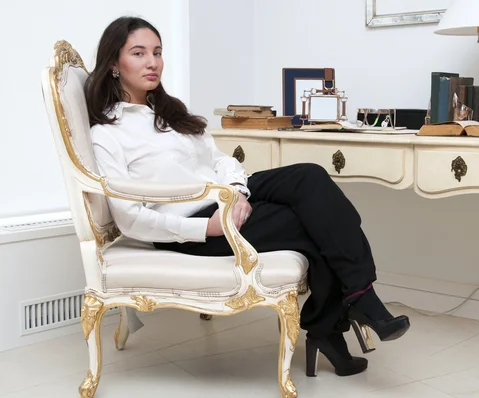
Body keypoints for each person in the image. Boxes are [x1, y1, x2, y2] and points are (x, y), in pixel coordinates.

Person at [85, 16, 410, 378]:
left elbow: (220, 160)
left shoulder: (169, 113)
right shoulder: (108, 133)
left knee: (311, 178)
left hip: (226, 200)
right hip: (196, 227)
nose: (152, 62)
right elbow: (130, 219)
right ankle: (341, 317)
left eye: (157, 52)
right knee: (315, 222)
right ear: (114, 64)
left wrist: (239, 192)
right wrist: (205, 229)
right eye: (139, 53)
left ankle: (353, 306)